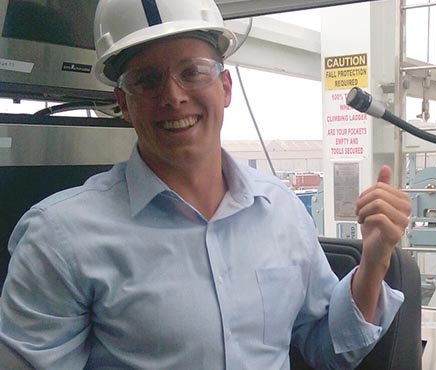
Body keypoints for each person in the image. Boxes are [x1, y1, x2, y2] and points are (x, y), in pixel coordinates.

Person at [0, 0, 412, 369]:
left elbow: (328, 349)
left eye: (192, 72)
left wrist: (375, 260)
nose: (173, 96)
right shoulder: (60, 238)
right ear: (122, 103)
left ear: (225, 87)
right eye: (146, 81)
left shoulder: (281, 210)